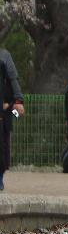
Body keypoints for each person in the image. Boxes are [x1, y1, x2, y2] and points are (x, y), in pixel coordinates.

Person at [0, 48, 24, 191]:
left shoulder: (5, 56)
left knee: (3, 147)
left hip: (6, 112)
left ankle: (0, 177)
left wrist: (17, 102)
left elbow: (14, 81)